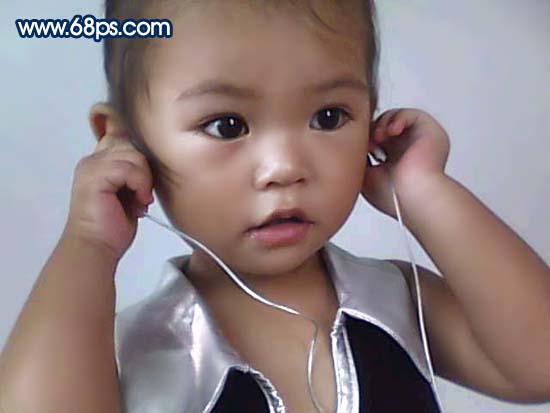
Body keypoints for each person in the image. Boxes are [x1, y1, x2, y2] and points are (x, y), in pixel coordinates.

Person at [1, 0, 549, 412]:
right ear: (124, 140)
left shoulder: (396, 299)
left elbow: (539, 365)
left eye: (329, 117)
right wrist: (88, 245)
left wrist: (425, 189)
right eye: (227, 125)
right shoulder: (127, 354)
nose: (285, 167)